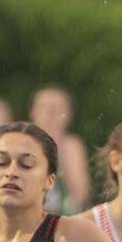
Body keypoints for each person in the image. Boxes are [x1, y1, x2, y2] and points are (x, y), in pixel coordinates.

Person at [31, 85, 92, 215]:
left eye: (56, 109)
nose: (50, 114)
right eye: (44, 108)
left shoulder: (72, 146)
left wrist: (58, 146)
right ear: (33, 112)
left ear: (68, 115)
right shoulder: (21, 143)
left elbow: (80, 194)